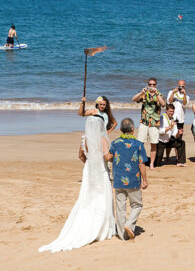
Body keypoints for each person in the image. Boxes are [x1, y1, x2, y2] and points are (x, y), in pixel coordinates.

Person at [39, 113, 117, 252]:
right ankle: (104, 228)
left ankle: (87, 223)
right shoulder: (102, 139)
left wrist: (89, 163)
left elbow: (80, 155)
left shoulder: (85, 139)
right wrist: (116, 155)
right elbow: (107, 157)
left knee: (88, 198)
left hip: (88, 171)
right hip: (100, 170)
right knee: (103, 197)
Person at [105, 118, 149, 241]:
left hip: (119, 180)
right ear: (132, 129)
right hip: (133, 180)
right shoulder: (138, 144)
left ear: (120, 130)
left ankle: (121, 234)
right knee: (137, 205)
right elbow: (141, 164)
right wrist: (144, 180)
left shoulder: (115, 143)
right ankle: (129, 225)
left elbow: (109, 157)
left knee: (120, 207)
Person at [132, 78, 165, 162]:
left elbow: (163, 104)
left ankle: (151, 164)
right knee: (140, 142)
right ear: (148, 85)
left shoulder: (159, 94)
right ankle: (140, 161)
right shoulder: (144, 94)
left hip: (154, 122)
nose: (151, 86)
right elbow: (134, 99)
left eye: (153, 84)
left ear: (156, 85)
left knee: (153, 144)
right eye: (150, 84)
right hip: (144, 121)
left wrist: (156, 93)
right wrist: (142, 92)